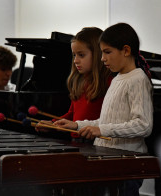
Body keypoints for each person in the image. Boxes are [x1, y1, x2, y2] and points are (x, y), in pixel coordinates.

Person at [54, 23, 153, 195]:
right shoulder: (118, 79)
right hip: (109, 157)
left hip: (126, 162)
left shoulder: (137, 80)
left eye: (107, 52)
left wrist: (101, 130)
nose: (102, 58)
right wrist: (76, 125)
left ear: (126, 51)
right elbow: (107, 122)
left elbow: (143, 125)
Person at [36, 27, 112, 141]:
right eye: (74, 55)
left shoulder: (110, 83)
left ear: (97, 54)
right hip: (77, 141)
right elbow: (71, 114)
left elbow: (110, 121)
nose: (76, 60)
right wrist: (53, 123)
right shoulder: (79, 82)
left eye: (81, 55)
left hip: (96, 142)